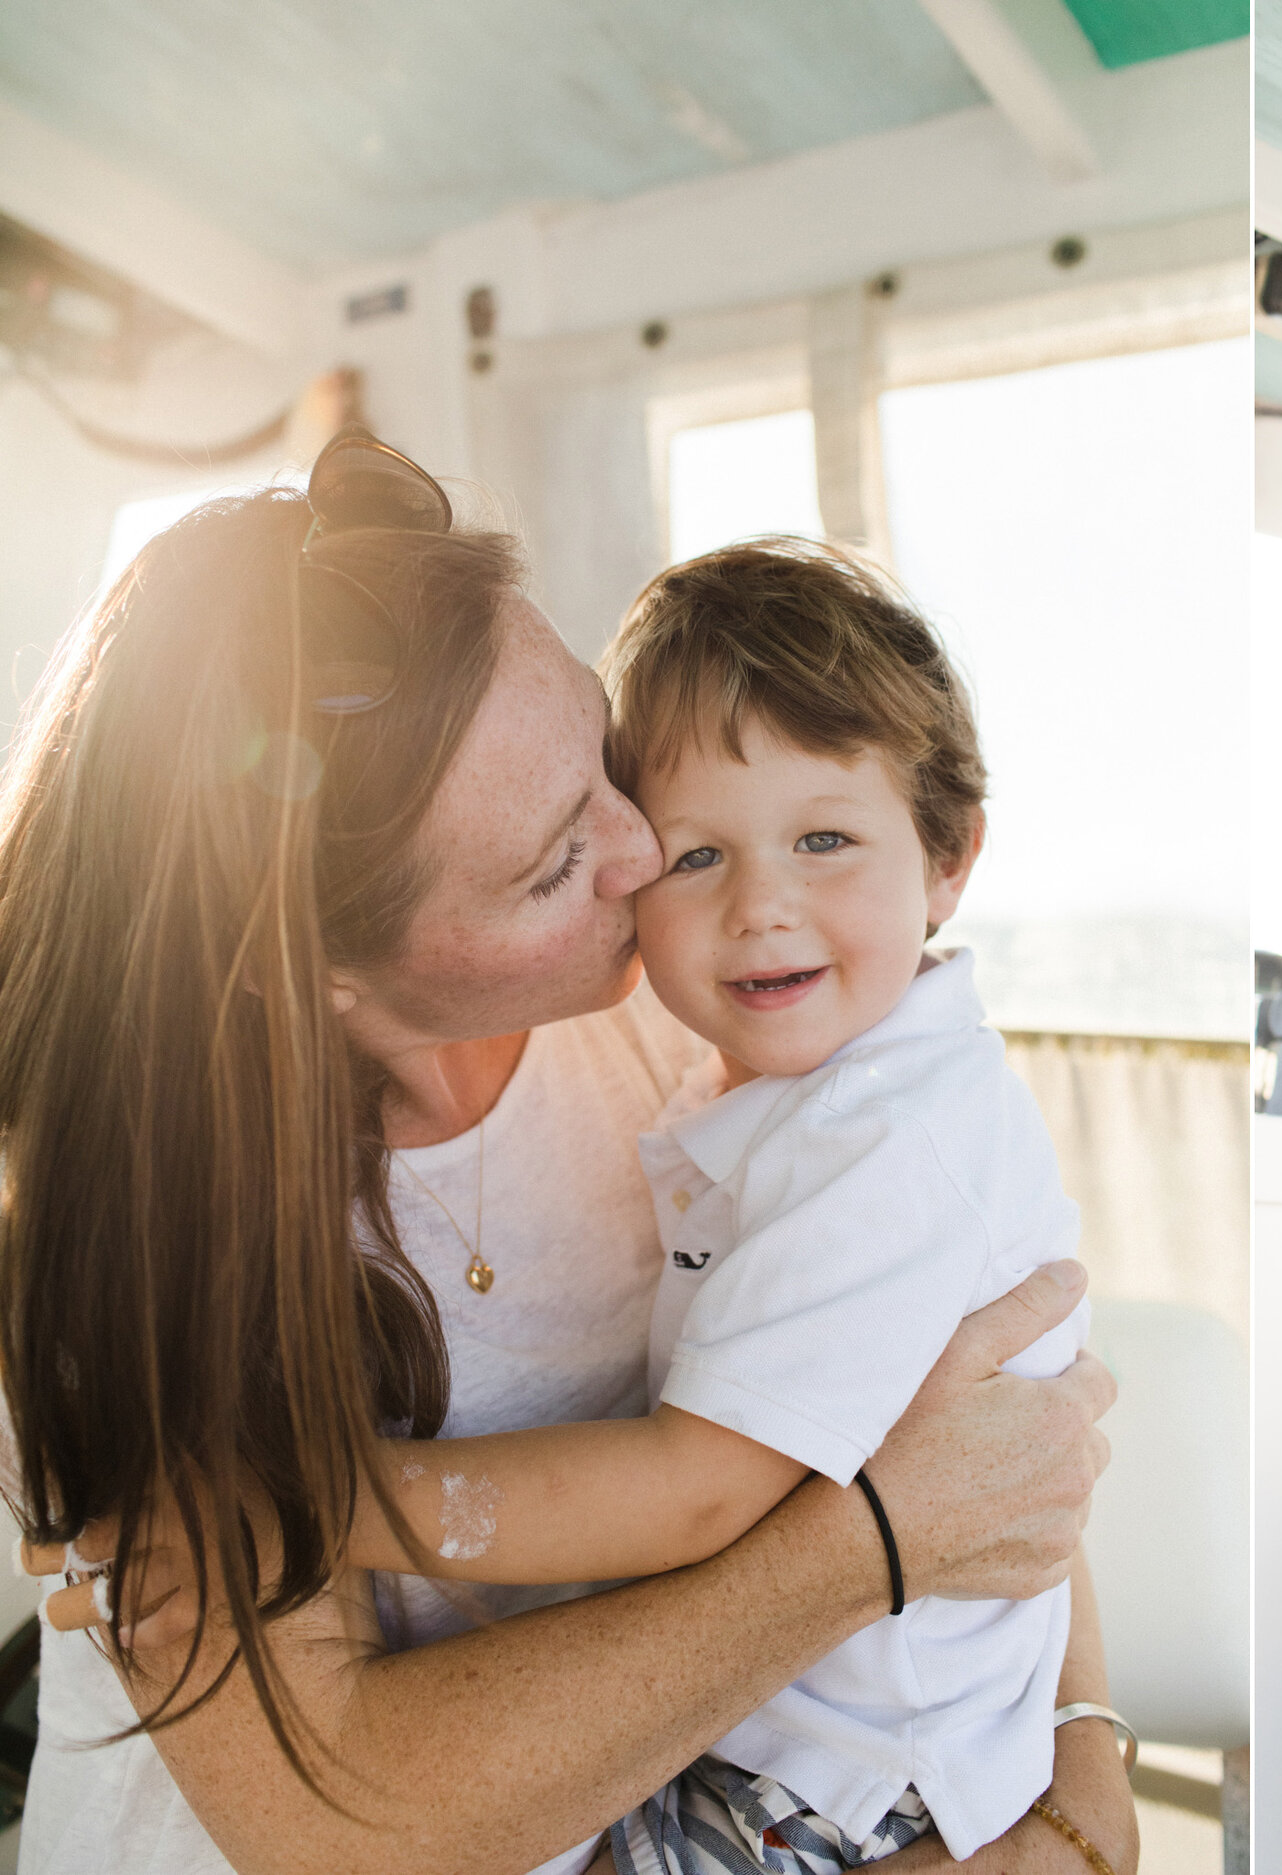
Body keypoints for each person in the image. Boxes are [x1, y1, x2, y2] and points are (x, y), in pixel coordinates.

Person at [1, 433, 1128, 1875]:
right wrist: (873, 1544)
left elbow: (980, 1418)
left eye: (604, 759)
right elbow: (341, 1813)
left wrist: (1081, 1768)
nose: (646, 854)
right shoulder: (129, 1236)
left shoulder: (687, 1017)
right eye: (551, 860)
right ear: (313, 973)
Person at [343, 538, 1106, 1873]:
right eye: (698, 854)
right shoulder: (787, 1082)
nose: (762, 905)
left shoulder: (884, 1139)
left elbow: (696, 1490)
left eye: (824, 838)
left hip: (833, 1787)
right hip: (775, 1730)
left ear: (948, 858)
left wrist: (339, 1497)